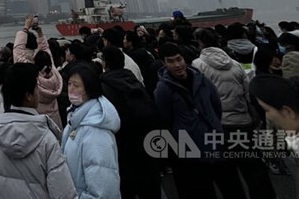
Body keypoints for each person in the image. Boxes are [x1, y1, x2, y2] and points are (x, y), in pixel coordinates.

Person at [154, 43, 245, 199]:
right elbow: (164, 120)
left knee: (233, 189)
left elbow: (216, 106)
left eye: (179, 59)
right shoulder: (163, 90)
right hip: (190, 152)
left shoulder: (201, 79)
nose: (177, 65)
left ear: (184, 58)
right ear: (164, 63)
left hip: (216, 144)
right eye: (171, 61)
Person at [192, 28, 274, 199]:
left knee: (227, 175)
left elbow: (199, 99)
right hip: (242, 123)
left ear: (200, 43)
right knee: (254, 171)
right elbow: (248, 95)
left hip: (218, 126)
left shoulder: (197, 65)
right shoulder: (235, 64)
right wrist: (255, 120)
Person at [0, 63, 76, 199]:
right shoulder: (46, 138)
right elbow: (63, 193)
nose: (39, 92)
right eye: (36, 88)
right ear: (28, 95)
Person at [100, 46, 162, 199]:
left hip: (123, 153)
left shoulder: (103, 87)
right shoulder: (135, 81)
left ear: (105, 64)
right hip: (147, 149)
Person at [61, 62, 120, 199]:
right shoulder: (76, 117)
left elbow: (103, 190)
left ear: (90, 89)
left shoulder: (96, 132)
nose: (70, 89)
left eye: (76, 85)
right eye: (69, 84)